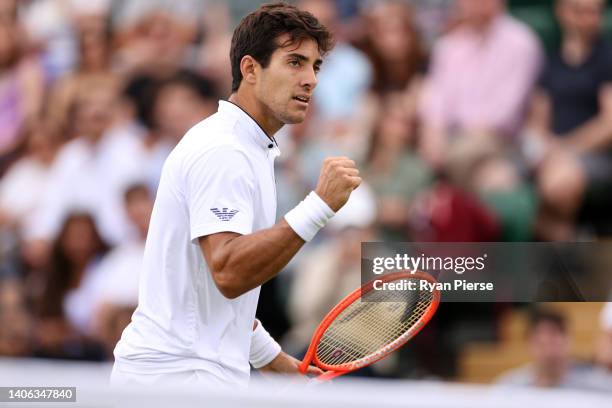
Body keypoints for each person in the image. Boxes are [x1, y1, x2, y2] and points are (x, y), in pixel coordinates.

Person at [111, 2, 360, 388]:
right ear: (250, 70)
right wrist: (320, 205)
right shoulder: (224, 150)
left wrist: (275, 362)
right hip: (178, 380)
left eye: (315, 66)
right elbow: (229, 271)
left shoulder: (247, 146)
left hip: (187, 375)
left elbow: (212, 294)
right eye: (294, 62)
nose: (310, 78)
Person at [524, 0, 612, 240]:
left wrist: (566, 148)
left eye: (594, 12)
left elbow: (609, 124)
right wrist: (540, 147)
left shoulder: (607, 58)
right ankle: (577, 243)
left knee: (559, 185)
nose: (587, 19)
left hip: (596, 156)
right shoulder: (551, 61)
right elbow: (538, 118)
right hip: (552, 153)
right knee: (499, 181)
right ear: (561, 13)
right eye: (579, 11)